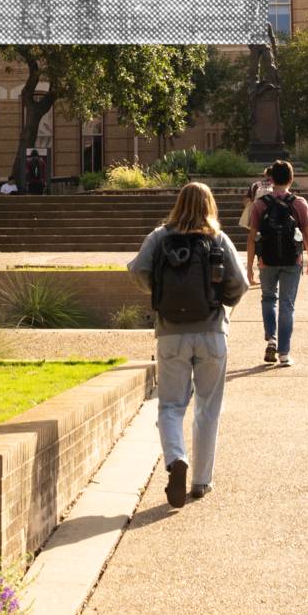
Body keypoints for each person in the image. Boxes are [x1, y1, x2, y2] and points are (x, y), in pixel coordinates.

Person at [127, 181, 249, 507]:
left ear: (178, 203)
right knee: (208, 409)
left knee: (170, 406)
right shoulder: (217, 238)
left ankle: (175, 458)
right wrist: (220, 303)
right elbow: (242, 284)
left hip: (170, 334)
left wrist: (159, 295)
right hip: (211, 333)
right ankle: (201, 481)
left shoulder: (159, 237)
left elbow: (137, 270)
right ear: (210, 205)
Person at [244, 159, 308, 366]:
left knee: (268, 299)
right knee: (287, 305)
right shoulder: (299, 203)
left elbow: (251, 237)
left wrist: (250, 266)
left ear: (271, 178)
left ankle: (272, 339)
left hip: (266, 261)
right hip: (292, 261)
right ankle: (284, 354)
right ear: (292, 179)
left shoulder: (260, 204)